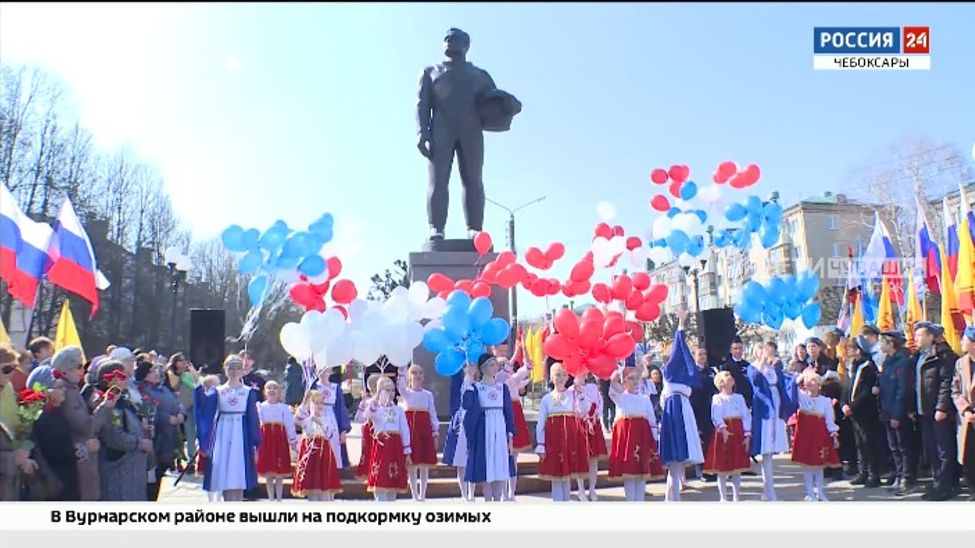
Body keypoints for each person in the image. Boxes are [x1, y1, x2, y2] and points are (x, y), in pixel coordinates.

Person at [194, 354, 261, 502]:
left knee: (238, 473)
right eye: (231, 367)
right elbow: (205, 407)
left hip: (241, 434)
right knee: (224, 473)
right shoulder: (218, 391)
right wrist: (198, 384)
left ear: (242, 370)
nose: (234, 371)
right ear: (225, 369)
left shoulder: (248, 391)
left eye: (237, 367)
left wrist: (256, 444)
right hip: (223, 433)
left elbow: (253, 419)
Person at [49, 346, 112, 501]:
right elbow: (85, 427)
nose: (82, 371)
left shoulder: (72, 389)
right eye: (78, 366)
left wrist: (93, 406)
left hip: (82, 455)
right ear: (64, 370)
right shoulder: (67, 392)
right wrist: (105, 407)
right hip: (79, 457)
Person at [659, 309, 704, 502]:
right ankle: (672, 497)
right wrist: (681, 325)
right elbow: (679, 349)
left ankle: (672, 497)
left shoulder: (683, 377)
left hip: (683, 410)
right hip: (675, 412)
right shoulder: (670, 371)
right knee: (674, 457)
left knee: (677, 462)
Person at [912, 322, 959, 501]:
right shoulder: (920, 356)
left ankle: (945, 486)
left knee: (943, 449)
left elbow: (946, 383)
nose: (916, 339)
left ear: (931, 337)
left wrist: (942, 407)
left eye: (920, 335)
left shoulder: (943, 356)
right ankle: (937, 480)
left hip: (938, 411)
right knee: (931, 448)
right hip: (924, 410)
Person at [748, 340, 798, 501]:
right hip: (764, 410)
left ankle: (768, 489)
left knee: (770, 452)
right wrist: (762, 361)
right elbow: (754, 380)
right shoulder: (753, 367)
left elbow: (783, 384)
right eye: (760, 349)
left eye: (765, 349)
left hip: (776, 407)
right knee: (765, 450)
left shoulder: (773, 368)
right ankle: (768, 489)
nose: (764, 351)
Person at [463, 354, 516, 502]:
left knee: (499, 468)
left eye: (495, 363)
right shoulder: (476, 388)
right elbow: (466, 404)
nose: (495, 367)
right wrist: (469, 378)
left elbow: (508, 412)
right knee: (487, 469)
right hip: (484, 429)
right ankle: (487, 502)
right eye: (491, 364)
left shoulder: (502, 388)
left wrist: (510, 436)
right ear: (483, 368)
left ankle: (498, 501)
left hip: (500, 427)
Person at [95, 360, 151, 501]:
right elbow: (112, 436)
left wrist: (144, 428)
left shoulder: (124, 400)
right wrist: (139, 443)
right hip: (119, 471)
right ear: (110, 380)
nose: (126, 379)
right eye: (122, 376)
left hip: (133, 472)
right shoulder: (108, 404)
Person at [607, 365, 664, 501]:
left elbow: (651, 417)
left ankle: (640, 500)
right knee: (629, 470)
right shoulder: (620, 397)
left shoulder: (644, 398)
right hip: (627, 436)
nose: (635, 381)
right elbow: (613, 386)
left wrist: (654, 437)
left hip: (642, 435)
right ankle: (630, 500)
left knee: (641, 469)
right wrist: (618, 371)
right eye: (631, 378)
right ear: (624, 382)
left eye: (637, 378)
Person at [536, 362, 586, 502]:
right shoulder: (547, 399)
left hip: (570, 438)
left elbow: (583, 410)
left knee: (567, 474)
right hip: (554, 440)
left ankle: (566, 501)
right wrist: (541, 443)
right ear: (551, 377)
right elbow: (541, 422)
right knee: (556, 475)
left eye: (564, 374)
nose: (561, 377)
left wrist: (580, 394)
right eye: (557, 374)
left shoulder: (573, 394)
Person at [137, 360, 184, 501]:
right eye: (152, 371)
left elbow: (178, 402)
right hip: (156, 438)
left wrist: (181, 414)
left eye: (156, 370)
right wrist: (166, 418)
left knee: (159, 476)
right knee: (151, 479)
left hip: (170, 438)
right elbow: (148, 409)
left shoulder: (163, 388)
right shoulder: (141, 389)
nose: (156, 373)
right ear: (144, 374)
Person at [878, 331, 918, 495]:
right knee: (894, 447)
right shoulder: (888, 361)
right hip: (887, 409)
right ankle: (899, 475)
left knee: (904, 447)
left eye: (883, 342)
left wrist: (897, 414)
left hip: (899, 412)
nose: (880, 345)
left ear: (891, 343)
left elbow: (903, 390)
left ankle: (908, 479)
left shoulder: (903, 361)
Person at [792, 369, 841, 501]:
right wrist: (802, 375)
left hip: (819, 435)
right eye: (808, 382)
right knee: (807, 465)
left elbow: (829, 420)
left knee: (819, 465)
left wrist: (834, 435)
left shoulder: (825, 401)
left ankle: (820, 491)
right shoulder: (802, 397)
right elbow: (792, 387)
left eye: (814, 381)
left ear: (819, 385)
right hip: (805, 434)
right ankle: (810, 492)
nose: (811, 384)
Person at [703, 371, 752, 502]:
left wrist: (747, 434)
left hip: (738, 429)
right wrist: (723, 428)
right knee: (722, 466)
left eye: (730, 375)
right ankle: (723, 497)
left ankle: (737, 496)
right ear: (720, 383)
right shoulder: (717, 398)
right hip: (724, 431)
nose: (729, 377)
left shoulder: (739, 398)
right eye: (726, 376)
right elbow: (716, 415)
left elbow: (746, 415)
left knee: (737, 466)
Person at [362, 377, 411, 501]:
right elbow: (365, 416)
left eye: (392, 390)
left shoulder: (399, 410)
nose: (390, 393)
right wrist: (376, 399)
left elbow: (404, 430)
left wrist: (407, 451)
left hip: (395, 448)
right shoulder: (376, 409)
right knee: (380, 479)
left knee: (393, 482)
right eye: (386, 390)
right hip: (381, 447)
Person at [496, 339, 533, 501]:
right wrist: (515, 353)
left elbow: (529, 366)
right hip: (501, 414)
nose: (508, 368)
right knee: (502, 455)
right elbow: (505, 369)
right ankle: (503, 491)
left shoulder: (514, 379)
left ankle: (511, 492)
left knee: (513, 456)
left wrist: (524, 349)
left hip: (514, 413)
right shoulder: (496, 378)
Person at [842, 336, 882, 488]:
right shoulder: (852, 366)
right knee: (859, 443)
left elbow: (866, 391)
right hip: (853, 412)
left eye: (851, 348)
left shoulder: (868, 366)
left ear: (859, 350)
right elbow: (846, 388)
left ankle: (873, 474)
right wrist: (844, 404)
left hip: (865, 411)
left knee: (869, 442)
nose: (848, 351)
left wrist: (853, 405)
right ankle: (862, 471)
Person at [0, 345, 39, 500]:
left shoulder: (8, 389)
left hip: (11, 475)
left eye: (14, 368)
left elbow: (19, 426)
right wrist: (12, 457)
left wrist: (24, 450)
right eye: (6, 369)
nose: (12, 374)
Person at [396, 364, 439, 501]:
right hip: (412, 430)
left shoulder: (428, 395)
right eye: (414, 373)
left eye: (420, 373)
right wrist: (401, 370)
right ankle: (415, 495)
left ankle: (423, 494)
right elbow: (401, 387)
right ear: (410, 376)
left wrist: (435, 432)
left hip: (425, 430)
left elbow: (432, 413)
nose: (418, 375)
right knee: (413, 465)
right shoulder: (407, 393)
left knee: (424, 464)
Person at [293, 389, 342, 501]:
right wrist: (304, 402)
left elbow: (329, 434)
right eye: (315, 402)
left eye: (321, 402)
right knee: (312, 485)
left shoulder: (327, 418)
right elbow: (296, 419)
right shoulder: (306, 419)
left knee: (325, 485)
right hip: (310, 454)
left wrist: (320, 423)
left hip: (324, 453)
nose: (319, 405)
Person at [32, 381, 78, 499]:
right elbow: (51, 449)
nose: (64, 390)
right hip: (56, 476)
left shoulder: (59, 410)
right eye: (59, 387)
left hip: (69, 473)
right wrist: (75, 449)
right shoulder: (43, 417)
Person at [442, 362, 478, 501]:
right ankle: (464, 493)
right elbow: (456, 402)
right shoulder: (458, 382)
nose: (469, 368)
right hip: (461, 425)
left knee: (472, 460)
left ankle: (472, 493)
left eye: (472, 366)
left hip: (474, 424)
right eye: (466, 366)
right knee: (461, 461)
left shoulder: (479, 384)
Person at [257, 381, 297, 502]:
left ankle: (279, 499)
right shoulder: (260, 407)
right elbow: (257, 424)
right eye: (269, 388)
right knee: (269, 473)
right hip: (266, 440)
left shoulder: (283, 408)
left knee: (279, 473)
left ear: (279, 392)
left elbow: (289, 425)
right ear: (265, 391)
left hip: (279, 440)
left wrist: (293, 441)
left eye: (275, 387)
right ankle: (270, 499)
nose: (272, 390)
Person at [573, 371, 607, 501]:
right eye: (579, 372)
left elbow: (599, 402)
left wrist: (594, 415)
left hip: (593, 423)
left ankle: (592, 488)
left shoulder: (592, 388)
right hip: (580, 425)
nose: (582, 374)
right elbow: (573, 407)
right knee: (581, 458)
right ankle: (580, 489)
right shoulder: (571, 390)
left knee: (594, 459)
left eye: (584, 372)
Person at [952, 326, 975, 501]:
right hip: (967, 419)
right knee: (968, 455)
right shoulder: (961, 363)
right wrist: (965, 409)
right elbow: (955, 390)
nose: (961, 343)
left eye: (964, 340)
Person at [689, 346, 717, 482]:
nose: (702, 357)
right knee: (700, 441)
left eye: (704, 354)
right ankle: (701, 471)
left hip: (709, 409)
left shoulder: (711, 371)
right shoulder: (691, 371)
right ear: (694, 356)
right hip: (696, 409)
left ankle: (712, 468)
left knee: (711, 440)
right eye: (700, 354)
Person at [166, 353, 197, 474]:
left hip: (189, 407)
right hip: (175, 409)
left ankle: (191, 462)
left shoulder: (188, 375)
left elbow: (197, 382)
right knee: (176, 435)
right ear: (175, 362)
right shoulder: (169, 375)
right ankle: (177, 460)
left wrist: (193, 372)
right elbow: (172, 386)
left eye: (185, 361)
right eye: (181, 361)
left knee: (191, 435)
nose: (184, 363)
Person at [355, 374, 383, 481]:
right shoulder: (366, 401)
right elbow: (359, 418)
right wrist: (362, 406)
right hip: (369, 429)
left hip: (381, 429)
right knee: (368, 451)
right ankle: (367, 473)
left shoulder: (385, 401)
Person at [720, 336, 753, 408]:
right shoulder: (726, 366)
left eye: (740, 348)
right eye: (735, 348)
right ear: (731, 350)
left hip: (747, 401)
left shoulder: (747, 365)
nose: (738, 351)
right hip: (732, 402)